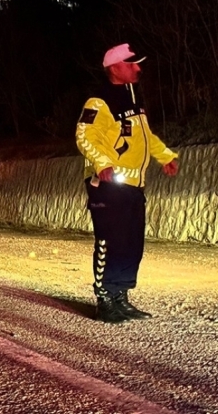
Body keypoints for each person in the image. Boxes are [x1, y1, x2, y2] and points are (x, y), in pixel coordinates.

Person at [75, 43, 179, 323]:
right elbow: (85, 136)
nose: (138, 68)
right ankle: (104, 299)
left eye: (137, 64)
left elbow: (147, 138)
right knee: (110, 241)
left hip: (134, 185)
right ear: (114, 68)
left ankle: (120, 296)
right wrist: (102, 162)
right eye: (132, 64)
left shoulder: (135, 100)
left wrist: (165, 156)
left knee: (132, 243)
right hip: (108, 184)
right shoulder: (99, 101)